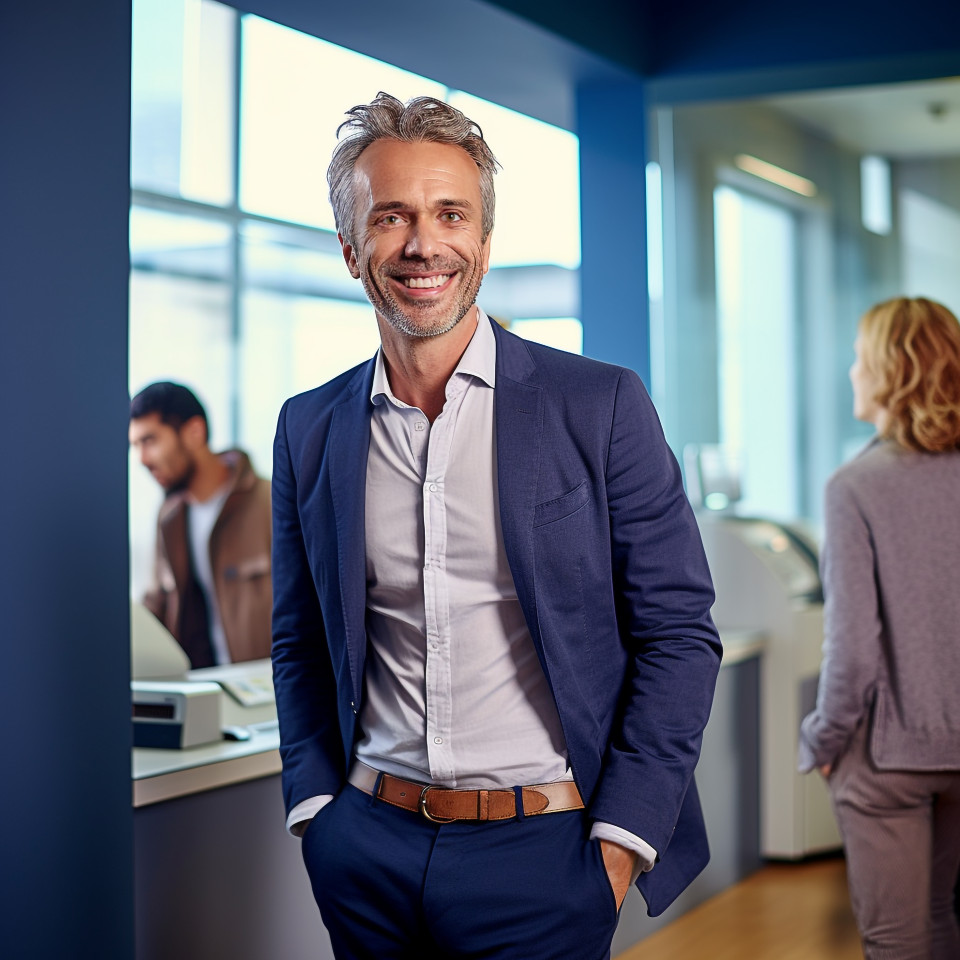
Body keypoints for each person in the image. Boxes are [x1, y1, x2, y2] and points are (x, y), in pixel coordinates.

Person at [271, 92, 722, 960]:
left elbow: (677, 634)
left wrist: (620, 844)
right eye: (391, 216)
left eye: (451, 214)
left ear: (483, 241)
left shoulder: (600, 405)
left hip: (547, 856)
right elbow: (299, 637)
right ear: (349, 247)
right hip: (367, 850)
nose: (422, 243)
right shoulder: (310, 426)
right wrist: (317, 811)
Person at [799, 297, 960, 960]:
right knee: (941, 918)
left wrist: (822, 738)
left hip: (887, 756)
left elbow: (855, 654)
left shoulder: (855, 486)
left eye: (861, 359)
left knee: (895, 941)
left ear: (892, 371)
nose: (851, 373)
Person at [130, 381, 272, 667]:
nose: (142, 459)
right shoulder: (169, 519)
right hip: (204, 694)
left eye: (150, 441)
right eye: (135, 446)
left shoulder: (272, 502)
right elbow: (157, 607)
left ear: (194, 432)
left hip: (265, 697)